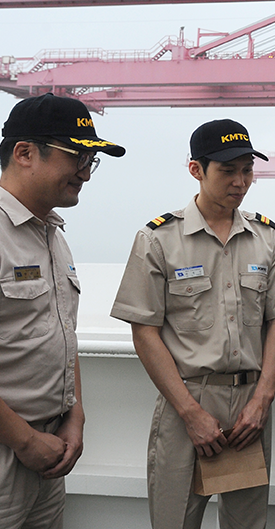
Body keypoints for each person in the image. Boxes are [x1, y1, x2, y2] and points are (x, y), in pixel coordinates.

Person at [110, 119, 275, 529]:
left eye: (247, 170)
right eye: (228, 170)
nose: (241, 181)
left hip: (250, 405)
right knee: (174, 520)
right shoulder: (159, 239)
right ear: (197, 170)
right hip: (187, 401)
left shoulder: (268, 238)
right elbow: (144, 331)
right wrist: (190, 413)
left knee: (247, 523)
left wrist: (262, 400)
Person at [0, 92, 125, 529]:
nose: (85, 174)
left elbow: (60, 331)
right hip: (12, 447)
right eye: (77, 157)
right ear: (24, 153)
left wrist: (75, 415)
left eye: (92, 161)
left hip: (49, 448)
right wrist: (25, 440)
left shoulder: (52, 234)